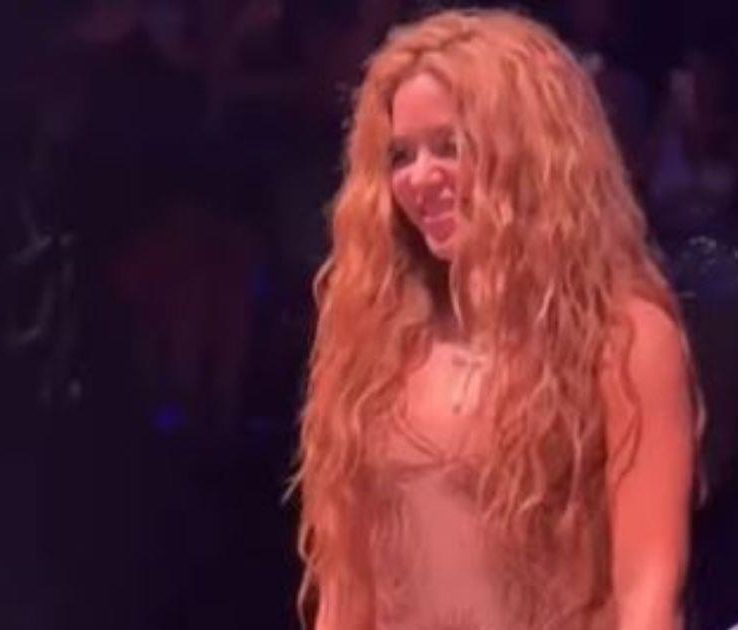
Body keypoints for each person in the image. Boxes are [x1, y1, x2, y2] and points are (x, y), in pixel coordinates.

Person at [292, 9, 701, 630]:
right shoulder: (373, 338)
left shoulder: (623, 338)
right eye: (401, 155)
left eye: (449, 147)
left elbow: (647, 595)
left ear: (528, 153)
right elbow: (346, 592)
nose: (420, 178)